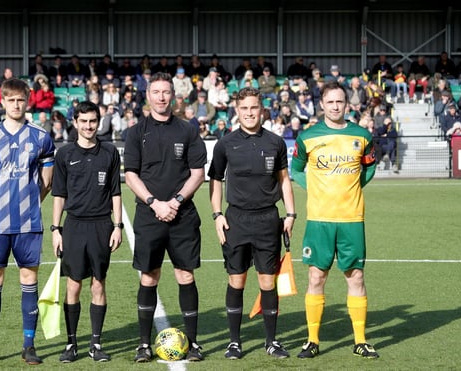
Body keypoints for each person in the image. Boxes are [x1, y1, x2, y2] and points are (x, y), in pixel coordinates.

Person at [291, 81, 379, 360]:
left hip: (352, 218)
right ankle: (312, 340)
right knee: (316, 276)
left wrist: (353, 187)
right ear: (322, 104)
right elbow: (295, 169)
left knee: (355, 275)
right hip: (319, 219)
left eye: (340, 102)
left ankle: (361, 341)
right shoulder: (307, 137)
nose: (335, 106)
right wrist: (314, 188)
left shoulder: (362, 135)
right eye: (330, 102)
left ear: (347, 104)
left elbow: (369, 167)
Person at [124, 72, 207, 363]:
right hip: (149, 216)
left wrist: (175, 201)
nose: (161, 97)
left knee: (185, 274)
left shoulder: (187, 130)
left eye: (166, 92)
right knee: (149, 276)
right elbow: (130, 174)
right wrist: (154, 203)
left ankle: (194, 343)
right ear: (148, 96)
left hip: (182, 216)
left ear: (173, 95)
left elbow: (198, 173)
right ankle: (144, 345)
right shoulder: (135, 133)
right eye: (156, 92)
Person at [208, 86, 296, 360]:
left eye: (253, 108)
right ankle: (234, 342)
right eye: (244, 108)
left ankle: (271, 341)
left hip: (268, 219)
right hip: (236, 220)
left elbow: (284, 181)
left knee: (268, 282)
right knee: (237, 280)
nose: (249, 113)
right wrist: (217, 215)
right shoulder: (225, 143)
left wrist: (291, 214)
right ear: (237, 110)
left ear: (262, 110)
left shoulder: (275, 142)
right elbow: (215, 181)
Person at [0, 78, 55, 366]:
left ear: (28, 100)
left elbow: (46, 181)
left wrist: (29, 203)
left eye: (21, 100)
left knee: (29, 281)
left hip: (29, 223)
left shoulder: (41, 137)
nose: (16, 105)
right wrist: (0, 203)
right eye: (11, 100)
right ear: (2, 101)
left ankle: (28, 346)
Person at [50, 101, 122, 363]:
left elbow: (116, 192)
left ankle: (96, 344)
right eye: (84, 121)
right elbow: (59, 195)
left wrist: (118, 225)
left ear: (98, 122)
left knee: (99, 284)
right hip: (74, 226)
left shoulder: (110, 152)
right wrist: (56, 229)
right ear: (75, 122)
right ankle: (71, 345)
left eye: (93, 121)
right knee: (73, 285)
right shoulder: (65, 154)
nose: (89, 126)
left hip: (102, 225)